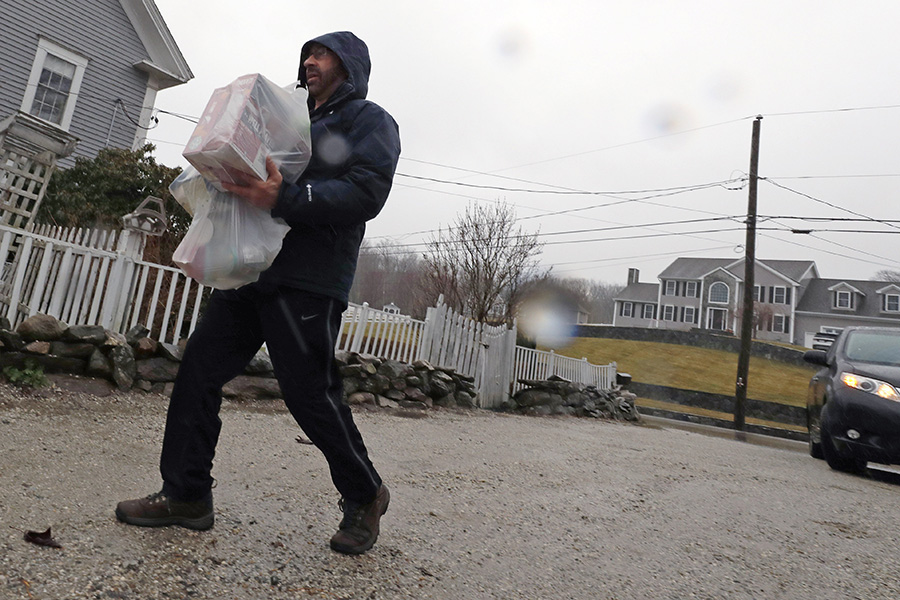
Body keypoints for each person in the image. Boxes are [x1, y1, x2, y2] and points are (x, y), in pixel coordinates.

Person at [115, 31, 401, 556]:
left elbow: (368, 191)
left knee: (309, 393)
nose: (310, 62)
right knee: (198, 369)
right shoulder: (286, 118)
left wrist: (288, 195)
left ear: (350, 66)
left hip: (309, 278)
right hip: (251, 267)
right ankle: (186, 495)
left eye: (322, 55)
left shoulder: (368, 121)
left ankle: (365, 495)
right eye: (307, 56)